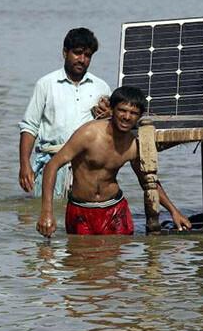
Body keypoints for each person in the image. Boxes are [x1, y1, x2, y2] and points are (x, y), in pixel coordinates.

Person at [36, 86, 192, 236]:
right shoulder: (88, 134)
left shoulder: (133, 146)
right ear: (111, 110)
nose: (126, 117)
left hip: (115, 209)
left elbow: (148, 181)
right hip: (81, 209)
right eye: (122, 110)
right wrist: (46, 212)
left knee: (116, 260)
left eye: (133, 113)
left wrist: (174, 211)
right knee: (79, 259)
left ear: (139, 116)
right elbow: (52, 165)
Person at [19, 27, 111, 199]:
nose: (82, 60)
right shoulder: (46, 84)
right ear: (65, 53)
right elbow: (29, 127)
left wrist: (108, 116)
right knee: (47, 213)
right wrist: (24, 165)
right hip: (52, 162)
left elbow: (111, 129)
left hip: (88, 167)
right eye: (77, 53)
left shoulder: (101, 87)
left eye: (88, 55)